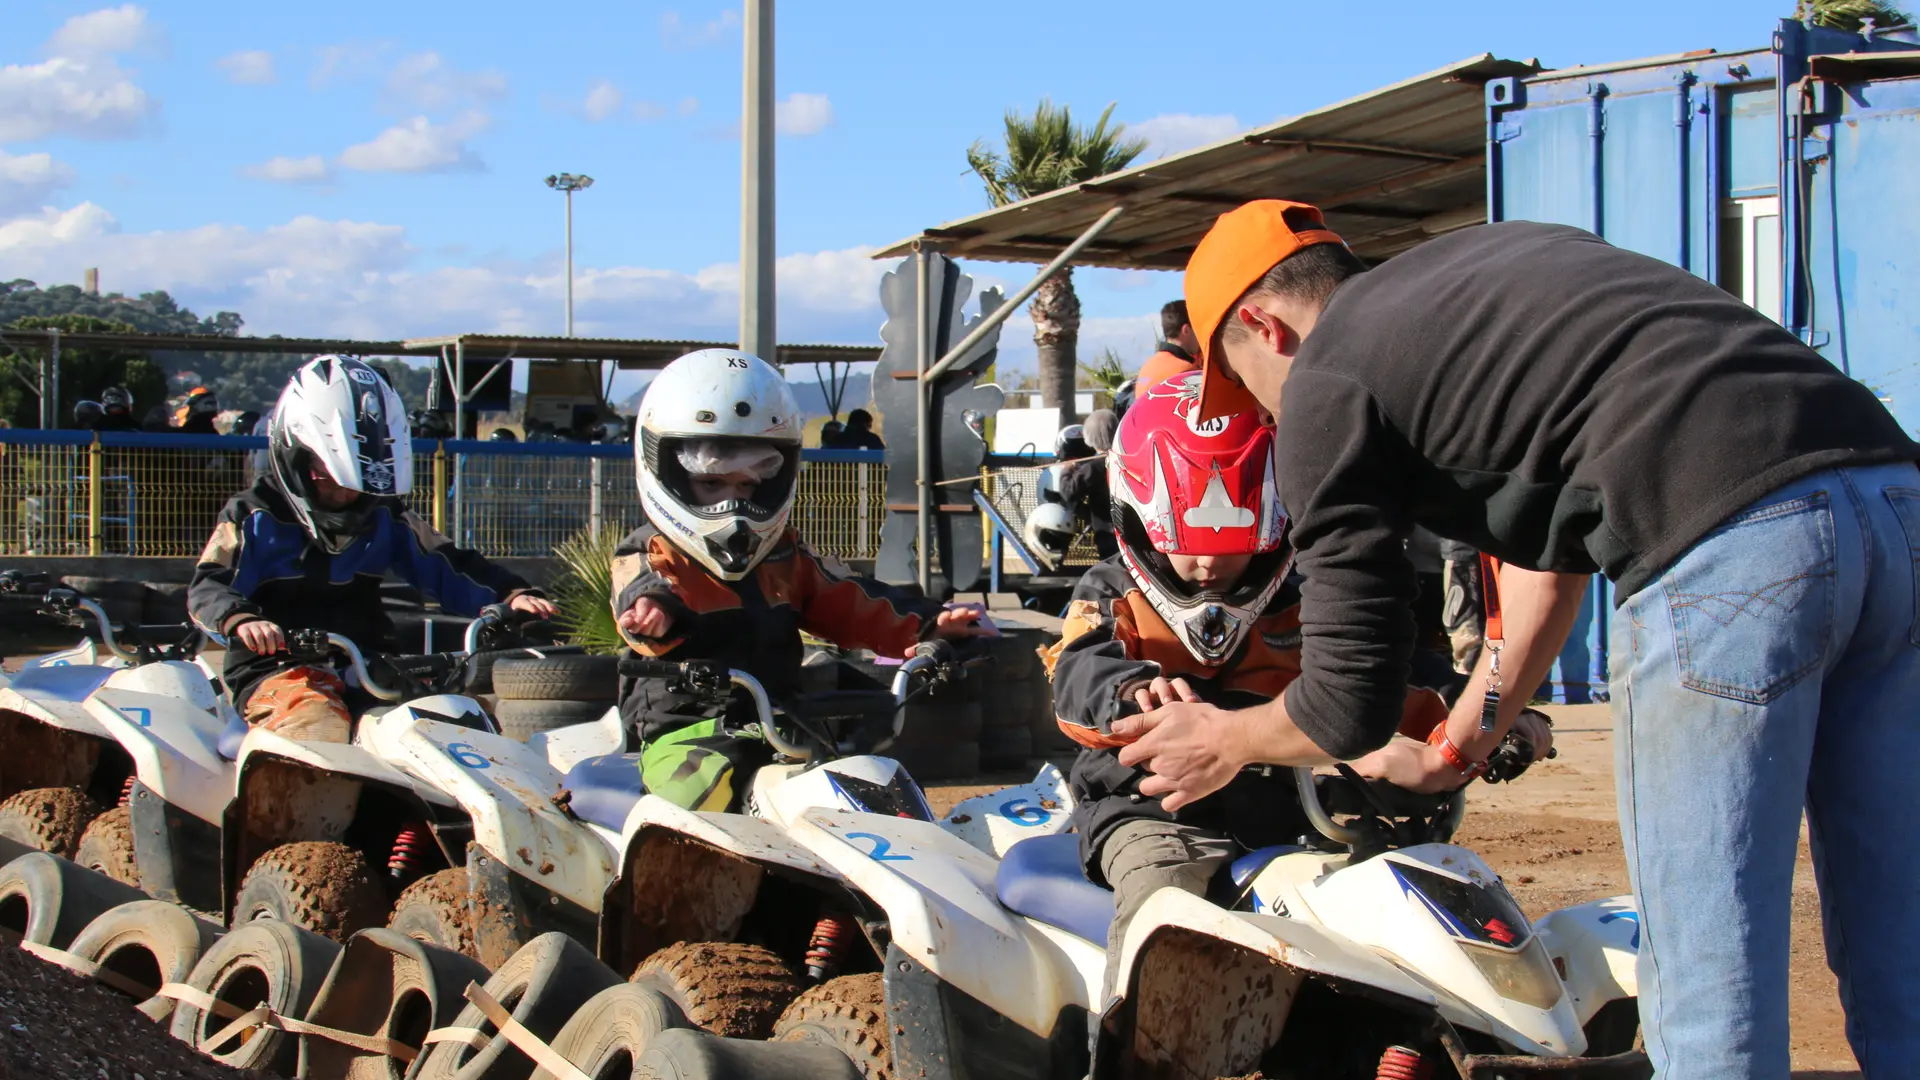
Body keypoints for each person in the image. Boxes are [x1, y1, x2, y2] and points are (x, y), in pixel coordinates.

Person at [1114, 200, 1920, 1079]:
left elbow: (1348, 697)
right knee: (1899, 916)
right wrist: (1457, 748)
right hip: (1892, 500)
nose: (1265, 419)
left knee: (1708, 957)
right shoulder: (1489, 271)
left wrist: (1226, 737)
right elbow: (1546, 572)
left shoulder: (1326, 377)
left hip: (1725, 538)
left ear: (1265, 326)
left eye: (1244, 382)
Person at [1047, 371, 1537, 1002]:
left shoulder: (1308, 594)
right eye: (1188, 549)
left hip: (1300, 808)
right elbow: (1077, 668)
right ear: (1139, 521)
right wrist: (1131, 691)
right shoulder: (1109, 592)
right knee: (1161, 898)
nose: (1208, 568)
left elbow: (1388, 665)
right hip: (1154, 810)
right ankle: (1129, 1048)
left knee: (1403, 878)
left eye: (1233, 549)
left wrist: (1491, 712)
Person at [610, 349, 990, 811]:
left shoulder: (784, 553)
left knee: (864, 792)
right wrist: (656, 611)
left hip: (784, 721)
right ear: (668, 469)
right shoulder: (650, 551)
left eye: (748, 485)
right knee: (701, 796)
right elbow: (644, 589)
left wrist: (931, 624)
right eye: (712, 485)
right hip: (686, 728)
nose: (734, 502)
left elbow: (850, 598)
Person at [190, 355, 554, 743]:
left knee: (458, 724)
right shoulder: (253, 515)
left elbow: (447, 561)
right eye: (327, 477)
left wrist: (511, 596)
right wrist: (241, 620)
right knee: (317, 724)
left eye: (355, 481)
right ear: (295, 457)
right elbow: (208, 585)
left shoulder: (383, 516)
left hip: (369, 666)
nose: (345, 493)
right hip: (275, 669)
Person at [1055, 408, 1118, 559]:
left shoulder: (1093, 467)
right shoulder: (1123, 460)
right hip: (1131, 532)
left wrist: (1067, 469)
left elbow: (1068, 491)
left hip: (1108, 535)